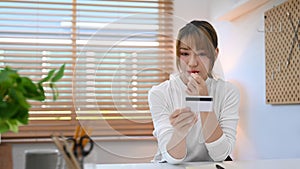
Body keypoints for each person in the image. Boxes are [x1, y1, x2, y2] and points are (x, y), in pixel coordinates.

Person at [148, 20, 240, 164]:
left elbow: (221, 155)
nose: (192, 63)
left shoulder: (228, 92)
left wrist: (203, 102)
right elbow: (172, 158)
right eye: (185, 53)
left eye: (201, 54)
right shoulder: (160, 93)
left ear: (215, 55)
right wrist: (179, 132)